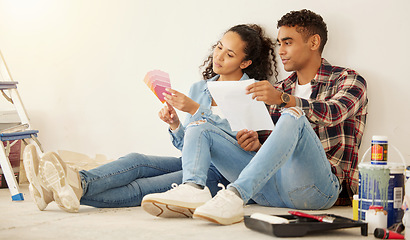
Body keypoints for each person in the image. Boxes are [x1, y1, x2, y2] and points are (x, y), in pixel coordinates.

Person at [142, 9, 368, 225]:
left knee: (294, 116)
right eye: (279, 43)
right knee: (201, 124)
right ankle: (193, 189)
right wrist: (255, 143)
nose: (281, 51)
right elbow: (272, 146)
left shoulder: (347, 79)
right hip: (271, 189)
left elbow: (334, 112)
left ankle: (234, 195)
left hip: (318, 190)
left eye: (288, 42)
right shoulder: (278, 88)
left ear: (314, 43)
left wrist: (282, 99)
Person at [22, 23, 278, 213]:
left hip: (221, 175)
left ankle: (65, 187)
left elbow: (242, 149)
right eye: (219, 47)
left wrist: (193, 110)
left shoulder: (252, 92)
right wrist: (176, 124)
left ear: (245, 63)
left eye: (230, 54)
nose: (219, 57)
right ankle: (71, 184)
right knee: (136, 161)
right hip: (192, 164)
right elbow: (187, 146)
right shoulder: (199, 89)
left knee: (144, 187)